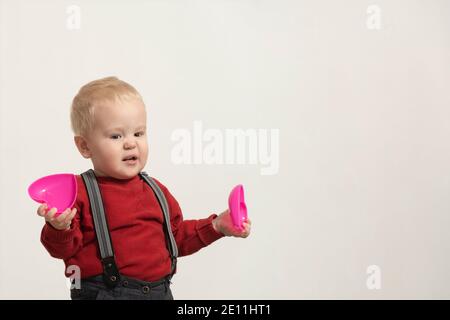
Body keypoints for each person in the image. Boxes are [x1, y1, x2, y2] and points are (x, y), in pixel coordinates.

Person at [37, 76, 251, 300]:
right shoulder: (78, 192)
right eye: (116, 136)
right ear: (85, 146)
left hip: (160, 293)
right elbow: (62, 250)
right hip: (106, 294)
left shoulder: (156, 190)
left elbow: (175, 239)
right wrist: (59, 227)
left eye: (138, 133)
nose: (131, 143)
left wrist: (216, 226)